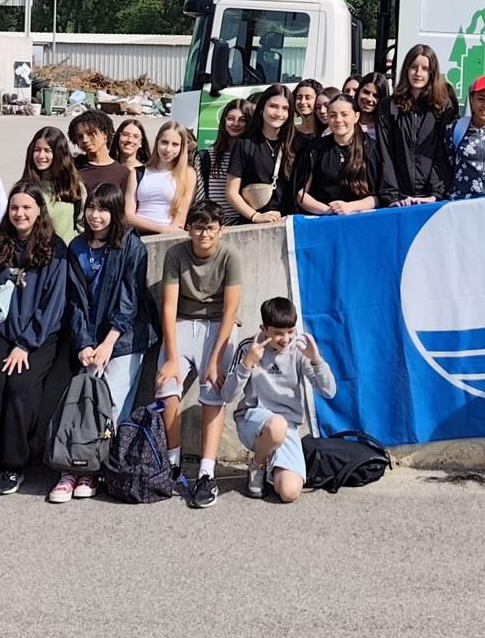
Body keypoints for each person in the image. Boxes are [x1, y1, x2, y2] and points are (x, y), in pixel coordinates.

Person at [51, 182, 160, 502]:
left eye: (103, 209)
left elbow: (130, 300)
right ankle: (74, 467)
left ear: (115, 212)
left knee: (111, 404)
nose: (95, 215)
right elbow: (75, 302)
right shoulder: (77, 247)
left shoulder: (131, 246)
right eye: (91, 208)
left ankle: (95, 469)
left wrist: (109, 342)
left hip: (125, 338)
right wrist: (84, 344)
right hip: (89, 337)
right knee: (83, 402)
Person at [0, 183, 67, 497]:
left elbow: (53, 304)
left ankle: (13, 464)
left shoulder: (54, 249)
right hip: (0, 332)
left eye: (26, 208)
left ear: (39, 212)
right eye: (14, 208)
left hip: (38, 336)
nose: (20, 213)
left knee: (20, 385)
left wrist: (25, 344)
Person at [156, 202, 243, 509]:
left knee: (213, 389)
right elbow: (168, 307)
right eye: (198, 227)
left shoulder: (230, 256)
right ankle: (172, 465)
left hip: (219, 324)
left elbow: (231, 310)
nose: (204, 234)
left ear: (221, 230)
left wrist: (216, 360)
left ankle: (207, 473)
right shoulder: (175, 254)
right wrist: (171, 358)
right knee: (167, 389)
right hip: (182, 322)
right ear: (189, 229)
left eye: (210, 228)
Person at [224, 297, 337, 503]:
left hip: (288, 426)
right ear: (264, 329)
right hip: (252, 420)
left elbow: (329, 392)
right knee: (277, 426)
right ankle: (257, 465)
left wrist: (316, 360)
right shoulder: (248, 348)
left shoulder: (299, 350)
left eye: (290, 331)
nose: (285, 339)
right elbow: (227, 396)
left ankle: (273, 465)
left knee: (289, 492)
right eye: (278, 333)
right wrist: (247, 364)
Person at [375, 45, 458, 208]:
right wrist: (392, 196)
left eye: (425, 69)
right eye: (414, 67)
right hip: (398, 199)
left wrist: (435, 194)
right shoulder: (389, 106)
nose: (418, 73)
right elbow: (385, 153)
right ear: (406, 69)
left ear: (432, 73)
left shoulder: (443, 107)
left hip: (430, 200)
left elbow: (443, 152)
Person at [296, 94, 381, 214]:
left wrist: (350, 207)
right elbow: (301, 194)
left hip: (361, 216)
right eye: (333, 115)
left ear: (356, 116)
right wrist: (327, 210)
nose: (338, 120)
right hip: (323, 216)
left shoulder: (372, 148)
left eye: (344, 114)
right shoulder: (314, 149)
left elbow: (380, 195)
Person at [226, 85, 298, 224]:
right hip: (254, 225)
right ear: (261, 108)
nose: (279, 113)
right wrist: (255, 216)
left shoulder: (298, 143)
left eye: (285, 108)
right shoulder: (244, 144)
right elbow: (231, 192)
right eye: (273, 106)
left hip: (291, 223)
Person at [21, 125, 85, 243]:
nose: (41, 156)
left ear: (59, 153)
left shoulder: (74, 186)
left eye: (47, 151)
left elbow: (82, 226)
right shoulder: (24, 188)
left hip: (66, 252)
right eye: (37, 150)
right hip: (34, 251)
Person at [135, 121, 199, 235]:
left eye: (175, 144)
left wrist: (165, 232)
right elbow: (128, 215)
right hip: (137, 236)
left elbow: (181, 216)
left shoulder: (188, 174)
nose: (168, 149)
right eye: (164, 142)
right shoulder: (137, 172)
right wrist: (161, 229)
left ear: (182, 147)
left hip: (168, 237)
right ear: (157, 141)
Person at [198, 98, 253, 225]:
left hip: (245, 223)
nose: (235, 124)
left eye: (242, 120)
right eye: (230, 119)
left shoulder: (253, 155)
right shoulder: (207, 156)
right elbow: (201, 197)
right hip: (216, 224)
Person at [109, 119, 151, 186]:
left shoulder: (146, 173)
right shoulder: (108, 167)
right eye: (125, 135)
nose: (130, 140)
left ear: (141, 142)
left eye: (136, 136)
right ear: (118, 137)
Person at [356, 73, 387, 138]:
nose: (369, 99)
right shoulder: (346, 122)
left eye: (375, 96)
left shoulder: (386, 130)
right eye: (366, 92)